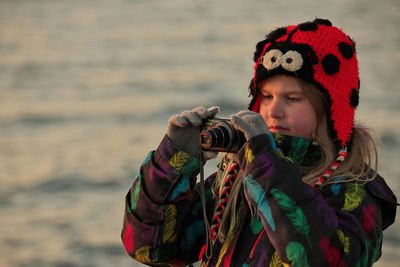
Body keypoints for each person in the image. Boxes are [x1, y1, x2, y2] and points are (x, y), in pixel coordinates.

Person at [121, 18, 398, 266]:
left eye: (292, 99)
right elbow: (151, 247)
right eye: (266, 96)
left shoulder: (355, 192)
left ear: (328, 112)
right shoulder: (235, 180)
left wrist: (266, 165)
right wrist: (172, 161)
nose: (274, 110)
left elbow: (322, 259)